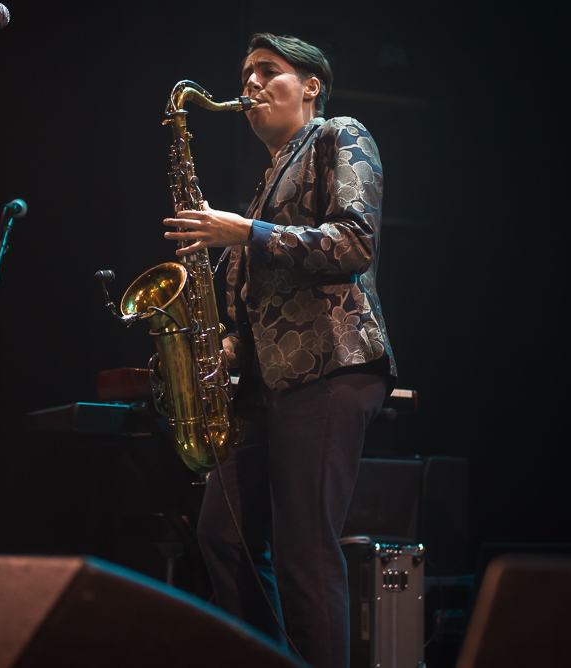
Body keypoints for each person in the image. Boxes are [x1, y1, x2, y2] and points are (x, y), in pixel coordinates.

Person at [163, 34, 395, 668]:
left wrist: (247, 233)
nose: (252, 85)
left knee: (304, 551)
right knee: (223, 537)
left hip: (330, 368)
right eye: (247, 74)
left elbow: (354, 245)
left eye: (269, 72)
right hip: (266, 385)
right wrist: (223, 347)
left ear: (311, 85)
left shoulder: (340, 135)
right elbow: (258, 307)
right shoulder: (266, 182)